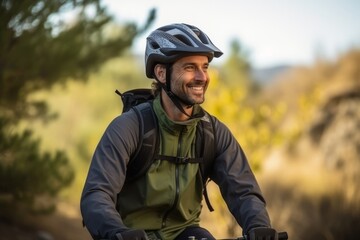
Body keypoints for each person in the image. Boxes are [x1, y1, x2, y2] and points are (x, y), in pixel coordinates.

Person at [81, 23, 277, 240]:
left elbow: (243, 191)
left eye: (205, 67)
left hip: (187, 234)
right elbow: (96, 195)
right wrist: (116, 232)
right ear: (162, 73)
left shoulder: (211, 132)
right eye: (190, 67)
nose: (202, 77)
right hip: (133, 235)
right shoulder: (130, 128)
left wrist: (258, 226)